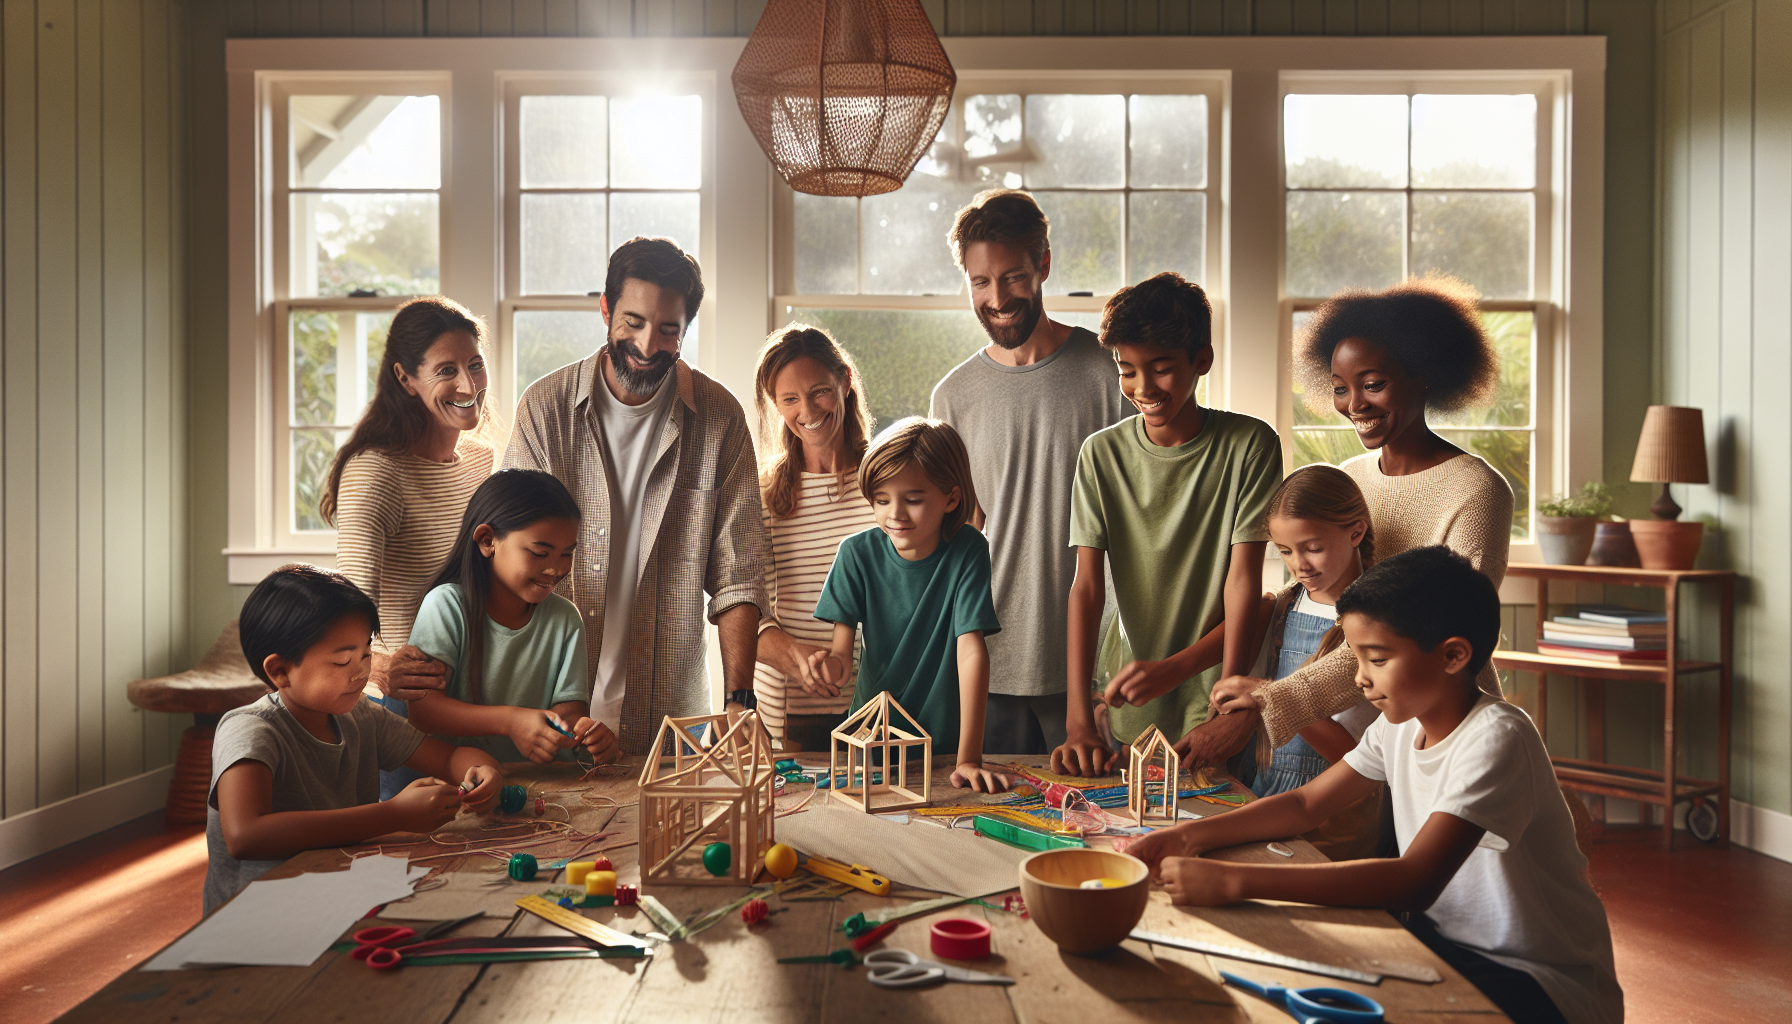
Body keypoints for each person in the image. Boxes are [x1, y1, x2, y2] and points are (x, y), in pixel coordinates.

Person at [1129, 548, 1622, 1024]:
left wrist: (1238, 881)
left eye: (1377, 659)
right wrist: (1187, 837)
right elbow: (1304, 805)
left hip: (1538, 979)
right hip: (1441, 943)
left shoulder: (1497, 737)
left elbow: (1414, 880)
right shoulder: (1401, 725)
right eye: (1357, 659)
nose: (1361, 680)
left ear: (1453, 655)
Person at [1210, 278, 1513, 754]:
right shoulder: (1352, 476)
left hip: (1440, 730)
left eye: (1373, 385)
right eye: (1339, 388)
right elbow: (1314, 590)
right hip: (1362, 731)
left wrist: (1278, 697)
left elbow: (1419, 632)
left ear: (1424, 375)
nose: (1354, 405)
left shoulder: (1477, 490)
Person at [505, 237, 768, 755]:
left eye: (668, 330)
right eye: (633, 322)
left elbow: (740, 576)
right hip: (551, 715)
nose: (648, 346)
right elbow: (507, 561)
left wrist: (740, 698)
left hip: (673, 719)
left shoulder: (720, 418)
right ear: (605, 310)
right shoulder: (544, 408)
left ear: (685, 329)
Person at [1053, 273, 1282, 776]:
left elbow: (1244, 582)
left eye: (1160, 369)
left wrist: (1231, 701)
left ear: (1202, 360)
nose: (1142, 387)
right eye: (1126, 369)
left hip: (1213, 693)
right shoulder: (1101, 455)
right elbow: (1086, 589)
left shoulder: (1250, 445)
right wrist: (1077, 722)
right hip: (1126, 697)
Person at [929, 190, 1130, 755]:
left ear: (1043, 264)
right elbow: (951, 536)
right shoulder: (952, 397)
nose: (997, 298)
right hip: (985, 659)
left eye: (1013, 276)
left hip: (1093, 670)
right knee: (984, 828)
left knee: (1091, 828)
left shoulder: (1110, 374)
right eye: (980, 282)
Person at [205, 565, 503, 915]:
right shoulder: (250, 730)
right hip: (259, 919)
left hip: (339, 898)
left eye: (365, 654)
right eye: (342, 661)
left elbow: (450, 758)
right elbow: (247, 836)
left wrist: (484, 772)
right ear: (280, 671)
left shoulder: (361, 716)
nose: (362, 671)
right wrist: (392, 815)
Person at [809, 419, 1007, 792]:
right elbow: (841, 657)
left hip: (942, 746)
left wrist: (969, 758)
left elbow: (971, 651)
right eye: (881, 500)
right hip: (870, 744)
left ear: (951, 498)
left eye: (913, 500)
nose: (894, 514)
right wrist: (827, 668)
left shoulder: (968, 550)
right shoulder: (855, 554)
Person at [326, 297, 497, 721]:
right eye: (446, 371)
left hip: (475, 697)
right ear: (405, 378)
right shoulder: (375, 472)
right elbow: (346, 610)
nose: (468, 385)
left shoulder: (482, 461)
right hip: (399, 708)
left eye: (474, 364)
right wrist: (381, 670)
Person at [401, 470, 620, 776]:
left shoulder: (565, 619)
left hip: (540, 788)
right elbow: (424, 710)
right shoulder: (446, 606)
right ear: (488, 540)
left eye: (567, 554)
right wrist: (511, 721)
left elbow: (568, 714)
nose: (555, 569)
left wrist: (587, 734)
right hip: (460, 788)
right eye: (540, 553)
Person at [1234, 465, 1383, 860]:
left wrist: (1269, 697)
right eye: (1285, 551)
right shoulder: (1288, 602)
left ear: (1356, 532)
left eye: (1312, 547)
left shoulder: (1374, 618)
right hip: (1267, 786)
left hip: (1336, 807)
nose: (1299, 564)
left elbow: (1352, 754)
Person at [749, 325, 878, 751]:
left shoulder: (885, 481)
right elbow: (746, 607)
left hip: (876, 703)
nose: (807, 410)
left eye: (819, 390)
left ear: (844, 380)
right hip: (786, 710)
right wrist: (794, 657)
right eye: (789, 399)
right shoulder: (762, 494)